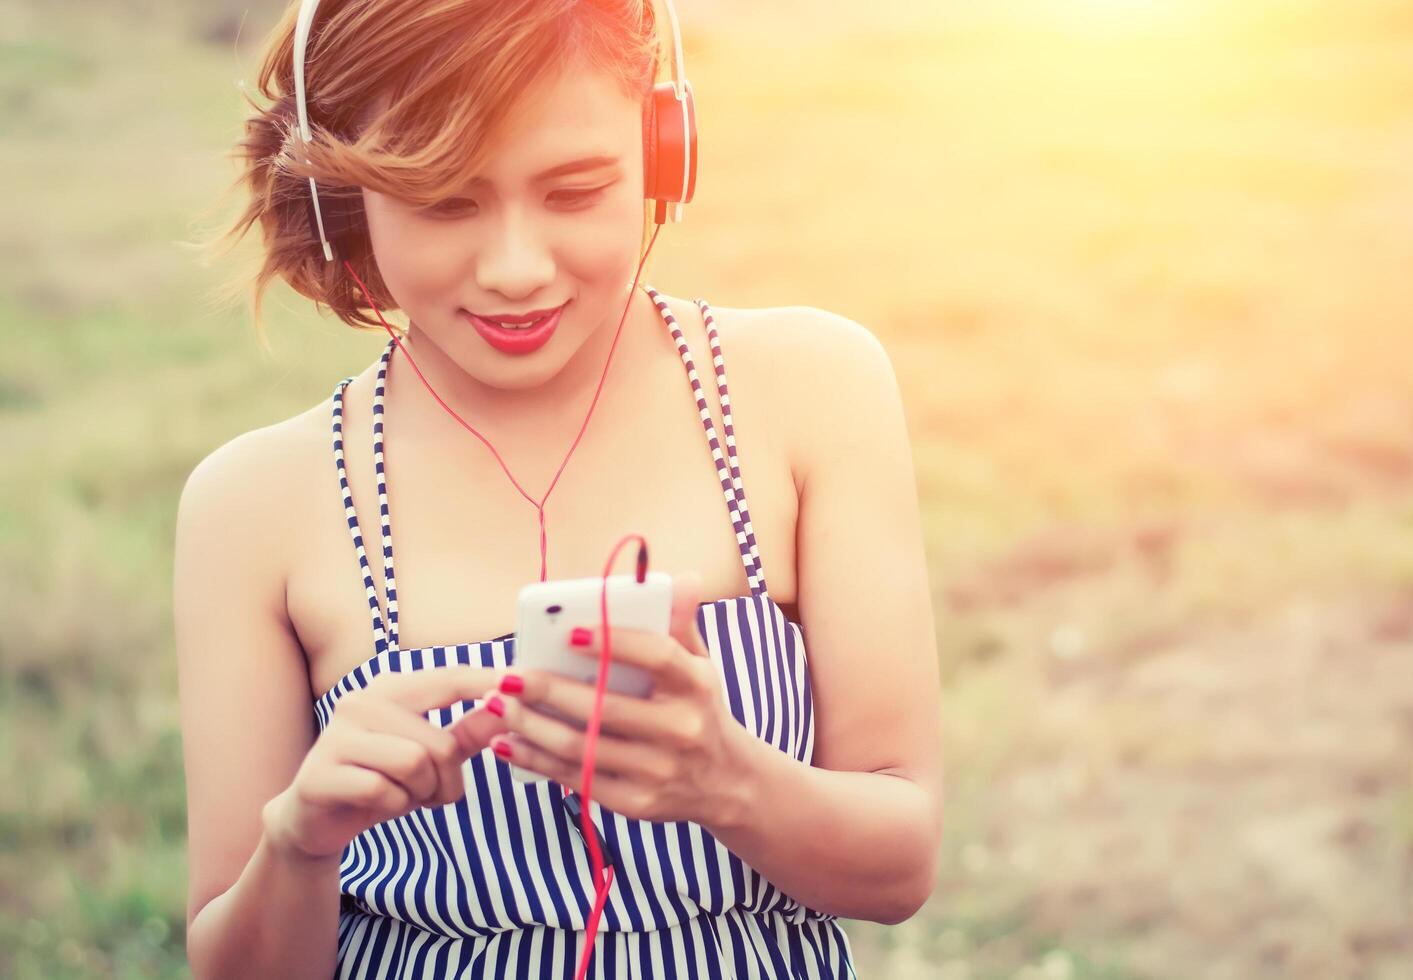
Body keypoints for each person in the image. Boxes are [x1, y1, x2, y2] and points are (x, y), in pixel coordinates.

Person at [175, 1, 942, 976]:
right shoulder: (250, 504)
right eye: (444, 202)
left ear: (666, 151)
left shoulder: (812, 386)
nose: (515, 270)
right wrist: (301, 841)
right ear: (343, 201)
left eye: (575, 191)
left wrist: (727, 778)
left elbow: (900, 864)